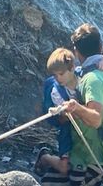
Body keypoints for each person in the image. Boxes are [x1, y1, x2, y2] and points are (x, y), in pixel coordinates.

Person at [63, 23, 103, 185]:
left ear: (76, 51)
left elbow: (96, 119)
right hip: (84, 154)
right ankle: (47, 160)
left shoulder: (93, 79)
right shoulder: (95, 71)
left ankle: (45, 159)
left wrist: (76, 108)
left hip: (90, 159)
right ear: (101, 46)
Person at [35, 48, 79, 177]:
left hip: (83, 128)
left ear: (72, 68)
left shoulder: (83, 79)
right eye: (55, 75)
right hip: (67, 129)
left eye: (60, 74)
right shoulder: (56, 91)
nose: (58, 78)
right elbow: (62, 119)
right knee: (64, 168)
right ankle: (45, 158)